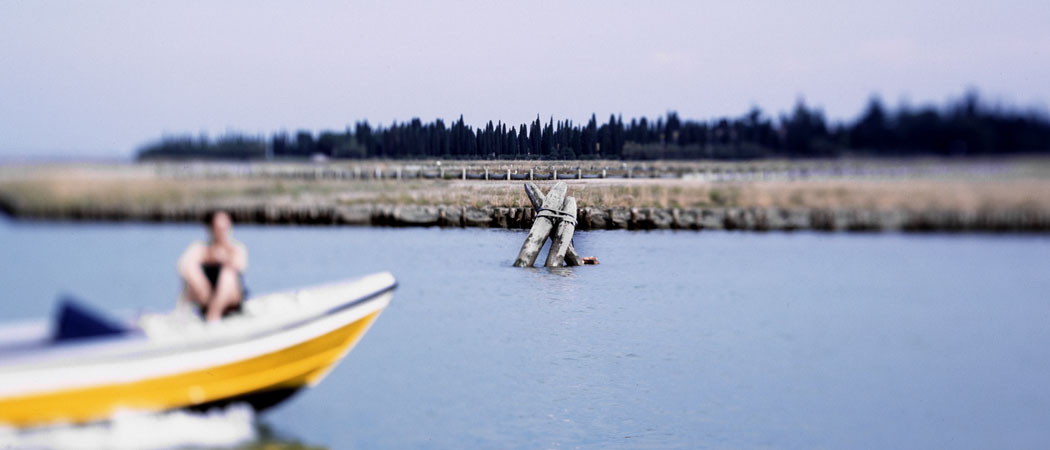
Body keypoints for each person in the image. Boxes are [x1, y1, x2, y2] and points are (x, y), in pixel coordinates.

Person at [178, 210, 248, 321]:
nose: (222, 232)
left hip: (229, 300)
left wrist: (223, 258)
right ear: (211, 229)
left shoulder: (236, 249)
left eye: (225, 228)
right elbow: (183, 266)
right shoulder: (201, 249)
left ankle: (213, 315)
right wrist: (201, 283)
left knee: (227, 275)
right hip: (205, 296)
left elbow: (239, 265)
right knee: (191, 269)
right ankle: (181, 317)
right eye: (218, 228)